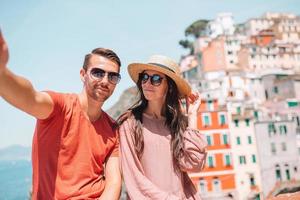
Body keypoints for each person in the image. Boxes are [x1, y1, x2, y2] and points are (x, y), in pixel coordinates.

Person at [0, 30, 121, 199]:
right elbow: (30, 98)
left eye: (113, 76)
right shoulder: (60, 107)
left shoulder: (113, 128)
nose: (105, 80)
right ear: (83, 74)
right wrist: (2, 73)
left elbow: (114, 183)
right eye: (98, 73)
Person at [118, 55, 207, 200]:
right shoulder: (130, 124)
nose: (147, 83)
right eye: (144, 77)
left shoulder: (178, 124)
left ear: (169, 86)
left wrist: (192, 115)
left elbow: (193, 164)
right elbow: (134, 178)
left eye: (156, 79)